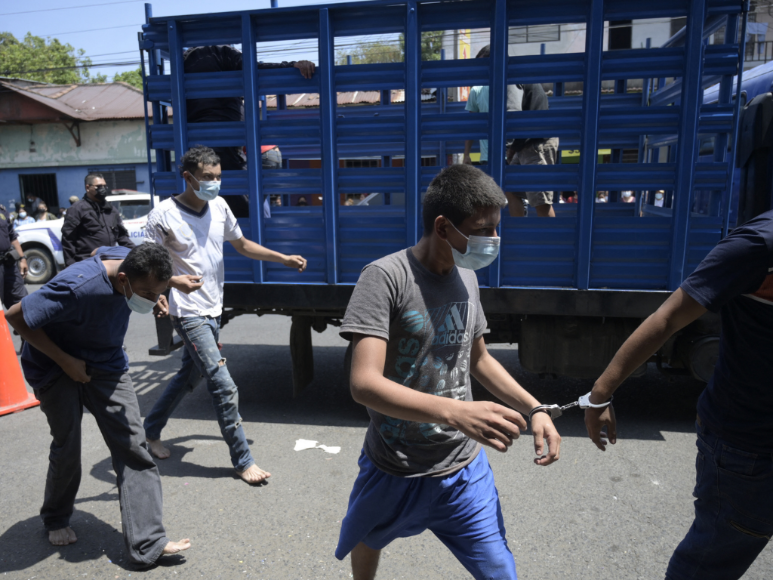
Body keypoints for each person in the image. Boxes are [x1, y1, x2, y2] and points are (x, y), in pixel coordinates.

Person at [335, 164, 561, 579]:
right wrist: (456, 412)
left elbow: (479, 359)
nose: (493, 239)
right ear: (443, 227)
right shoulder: (384, 277)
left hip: (463, 467)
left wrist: (535, 408)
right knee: (367, 537)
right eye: (483, 229)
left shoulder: (467, 278)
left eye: (496, 228)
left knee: (500, 570)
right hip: (395, 464)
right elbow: (364, 384)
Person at [584, 209, 773, 580]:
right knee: (710, 563)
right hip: (751, 445)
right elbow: (668, 317)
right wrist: (601, 393)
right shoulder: (760, 245)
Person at [4, 243, 190, 566]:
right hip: (54, 363)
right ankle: (56, 517)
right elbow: (16, 316)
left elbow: (99, 251)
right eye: (146, 293)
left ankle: (149, 542)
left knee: (133, 445)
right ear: (123, 280)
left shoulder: (130, 260)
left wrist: (159, 292)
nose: (151, 299)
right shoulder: (78, 286)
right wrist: (65, 361)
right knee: (67, 444)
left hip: (106, 360)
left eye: (157, 292)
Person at [142, 145, 308, 485]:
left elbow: (242, 244)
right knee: (223, 385)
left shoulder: (219, 206)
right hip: (188, 312)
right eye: (207, 177)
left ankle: (150, 430)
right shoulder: (162, 216)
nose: (214, 183)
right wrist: (170, 284)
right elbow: (145, 265)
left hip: (214, 307)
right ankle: (243, 461)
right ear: (188, 177)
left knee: (189, 376)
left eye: (218, 177)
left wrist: (283, 258)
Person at [183, 45, 315, 217]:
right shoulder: (220, 54)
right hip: (256, 150)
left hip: (244, 151)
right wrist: (290, 65)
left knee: (244, 209)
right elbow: (255, 68)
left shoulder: (187, 65)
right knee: (251, 209)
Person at [62, 173, 135, 266]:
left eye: (105, 186)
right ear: (88, 187)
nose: (103, 189)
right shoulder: (77, 209)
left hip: (109, 262)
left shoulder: (111, 210)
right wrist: (71, 265)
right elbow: (68, 239)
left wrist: (136, 252)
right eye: (99, 186)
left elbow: (122, 237)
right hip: (87, 263)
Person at [0, 204, 28, 309]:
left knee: (22, 302)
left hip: (8, 264)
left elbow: (12, 237)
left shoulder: (2, 211)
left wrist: (22, 258)